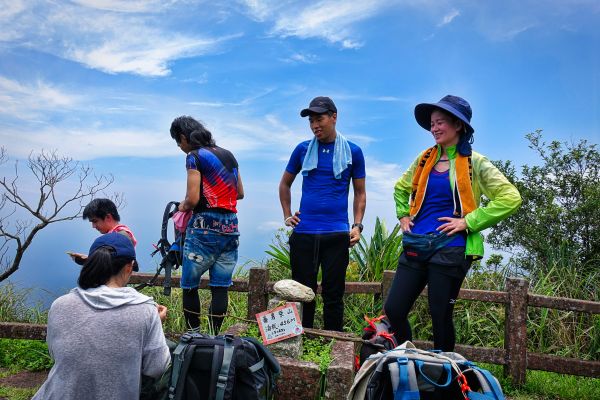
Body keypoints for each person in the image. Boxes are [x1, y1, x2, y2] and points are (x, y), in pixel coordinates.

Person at [384, 95, 522, 351]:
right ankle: (410, 362)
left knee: (440, 315)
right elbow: (400, 188)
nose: (434, 128)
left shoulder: (475, 162)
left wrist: (468, 221)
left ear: (458, 125)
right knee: (394, 309)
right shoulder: (425, 158)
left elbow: (511, 197)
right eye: (432, 124)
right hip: (416, 242)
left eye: (441, 122)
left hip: (451, 247)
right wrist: (403, 215)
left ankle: (443, 377)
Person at [33, 233, 171, 400]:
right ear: (129, 266)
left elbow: (57, 354)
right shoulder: (146, 311)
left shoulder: (60, 304)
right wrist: (155, 322)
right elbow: (157, 367)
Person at [279, 96, 366, 332]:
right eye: (311, 121)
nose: (315, 125)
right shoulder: (302, 150)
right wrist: (288, 215)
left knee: (333, 295)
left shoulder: (353, 152)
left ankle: (332, 343)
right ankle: (301, 343)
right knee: (301, 294)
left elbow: (360, 193)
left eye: (320, 119)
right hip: (304, 233)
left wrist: (357, 225)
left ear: (334, 117)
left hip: (337, 234)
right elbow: (284, 184)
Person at [170, 115, 244, 334]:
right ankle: (213, 337)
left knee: (189, 285)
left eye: (178, 142)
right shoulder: (228, 155)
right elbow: (239, 193)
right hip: (231, 227)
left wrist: (182, 206)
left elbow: (192, 199)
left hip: (204, 226)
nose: (180, 147)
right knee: (220, 287)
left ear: (184, 137)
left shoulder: (194, 157)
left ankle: (193, 336)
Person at [68, 198, 137, 265]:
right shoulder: (117, 235)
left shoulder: (121, 237)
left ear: (108, 217)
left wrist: (90, 261)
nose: (93, 226)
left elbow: (118, 265)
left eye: (95, 221)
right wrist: (89, 259)